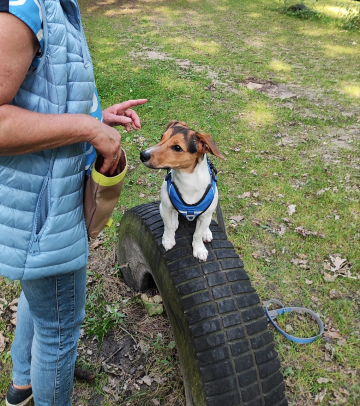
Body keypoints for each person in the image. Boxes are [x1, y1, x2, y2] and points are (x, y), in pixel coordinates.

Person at [0, 0, 147, 405]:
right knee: (59, 330)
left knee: (42, 298)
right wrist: (87, 129)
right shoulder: (22, 6)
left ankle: (23, 385)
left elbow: (43, 93)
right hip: (42, 213)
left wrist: (97, 116)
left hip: (45, 207)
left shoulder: (56, 5)